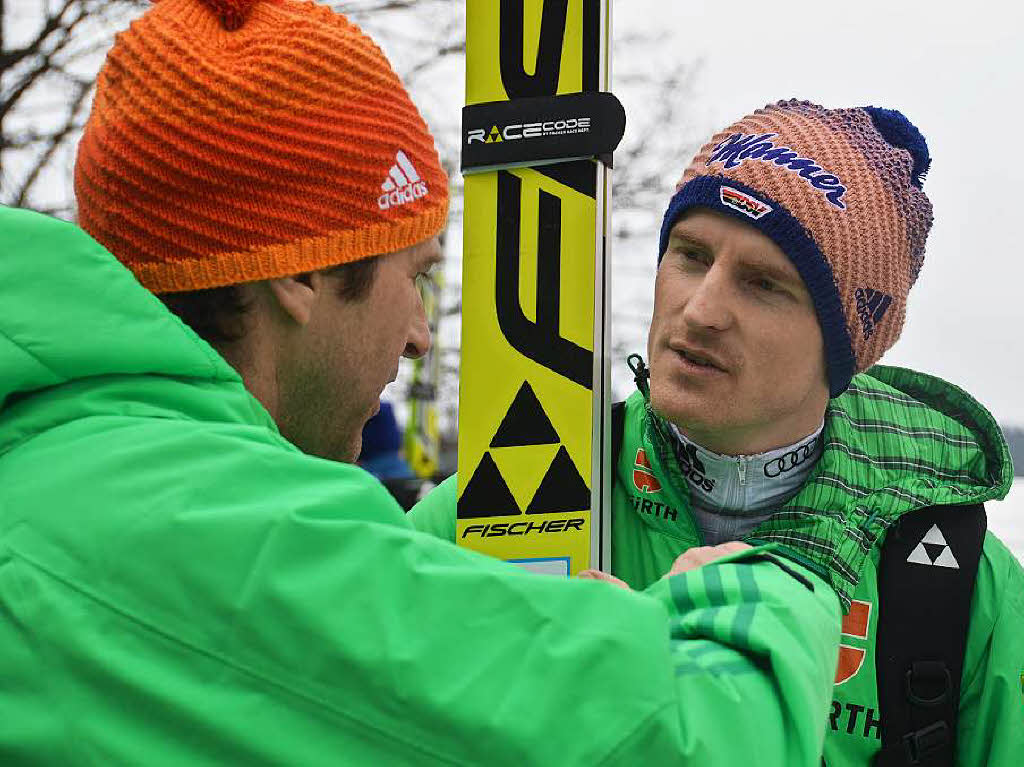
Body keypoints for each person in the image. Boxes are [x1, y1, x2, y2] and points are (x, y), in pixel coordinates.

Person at [0, 2, 843, 763]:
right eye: (418, 275)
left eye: (768, 284)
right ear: (296, 276)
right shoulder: (239, 542)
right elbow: (704, 737)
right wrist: (762, 590)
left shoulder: (46, 464)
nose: (416, 334)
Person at [410, 100, 1024, 765]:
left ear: (848, 344)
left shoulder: (956, 585)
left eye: (763, 284)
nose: (700, 310)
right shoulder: (506, 505)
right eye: (691, 255)